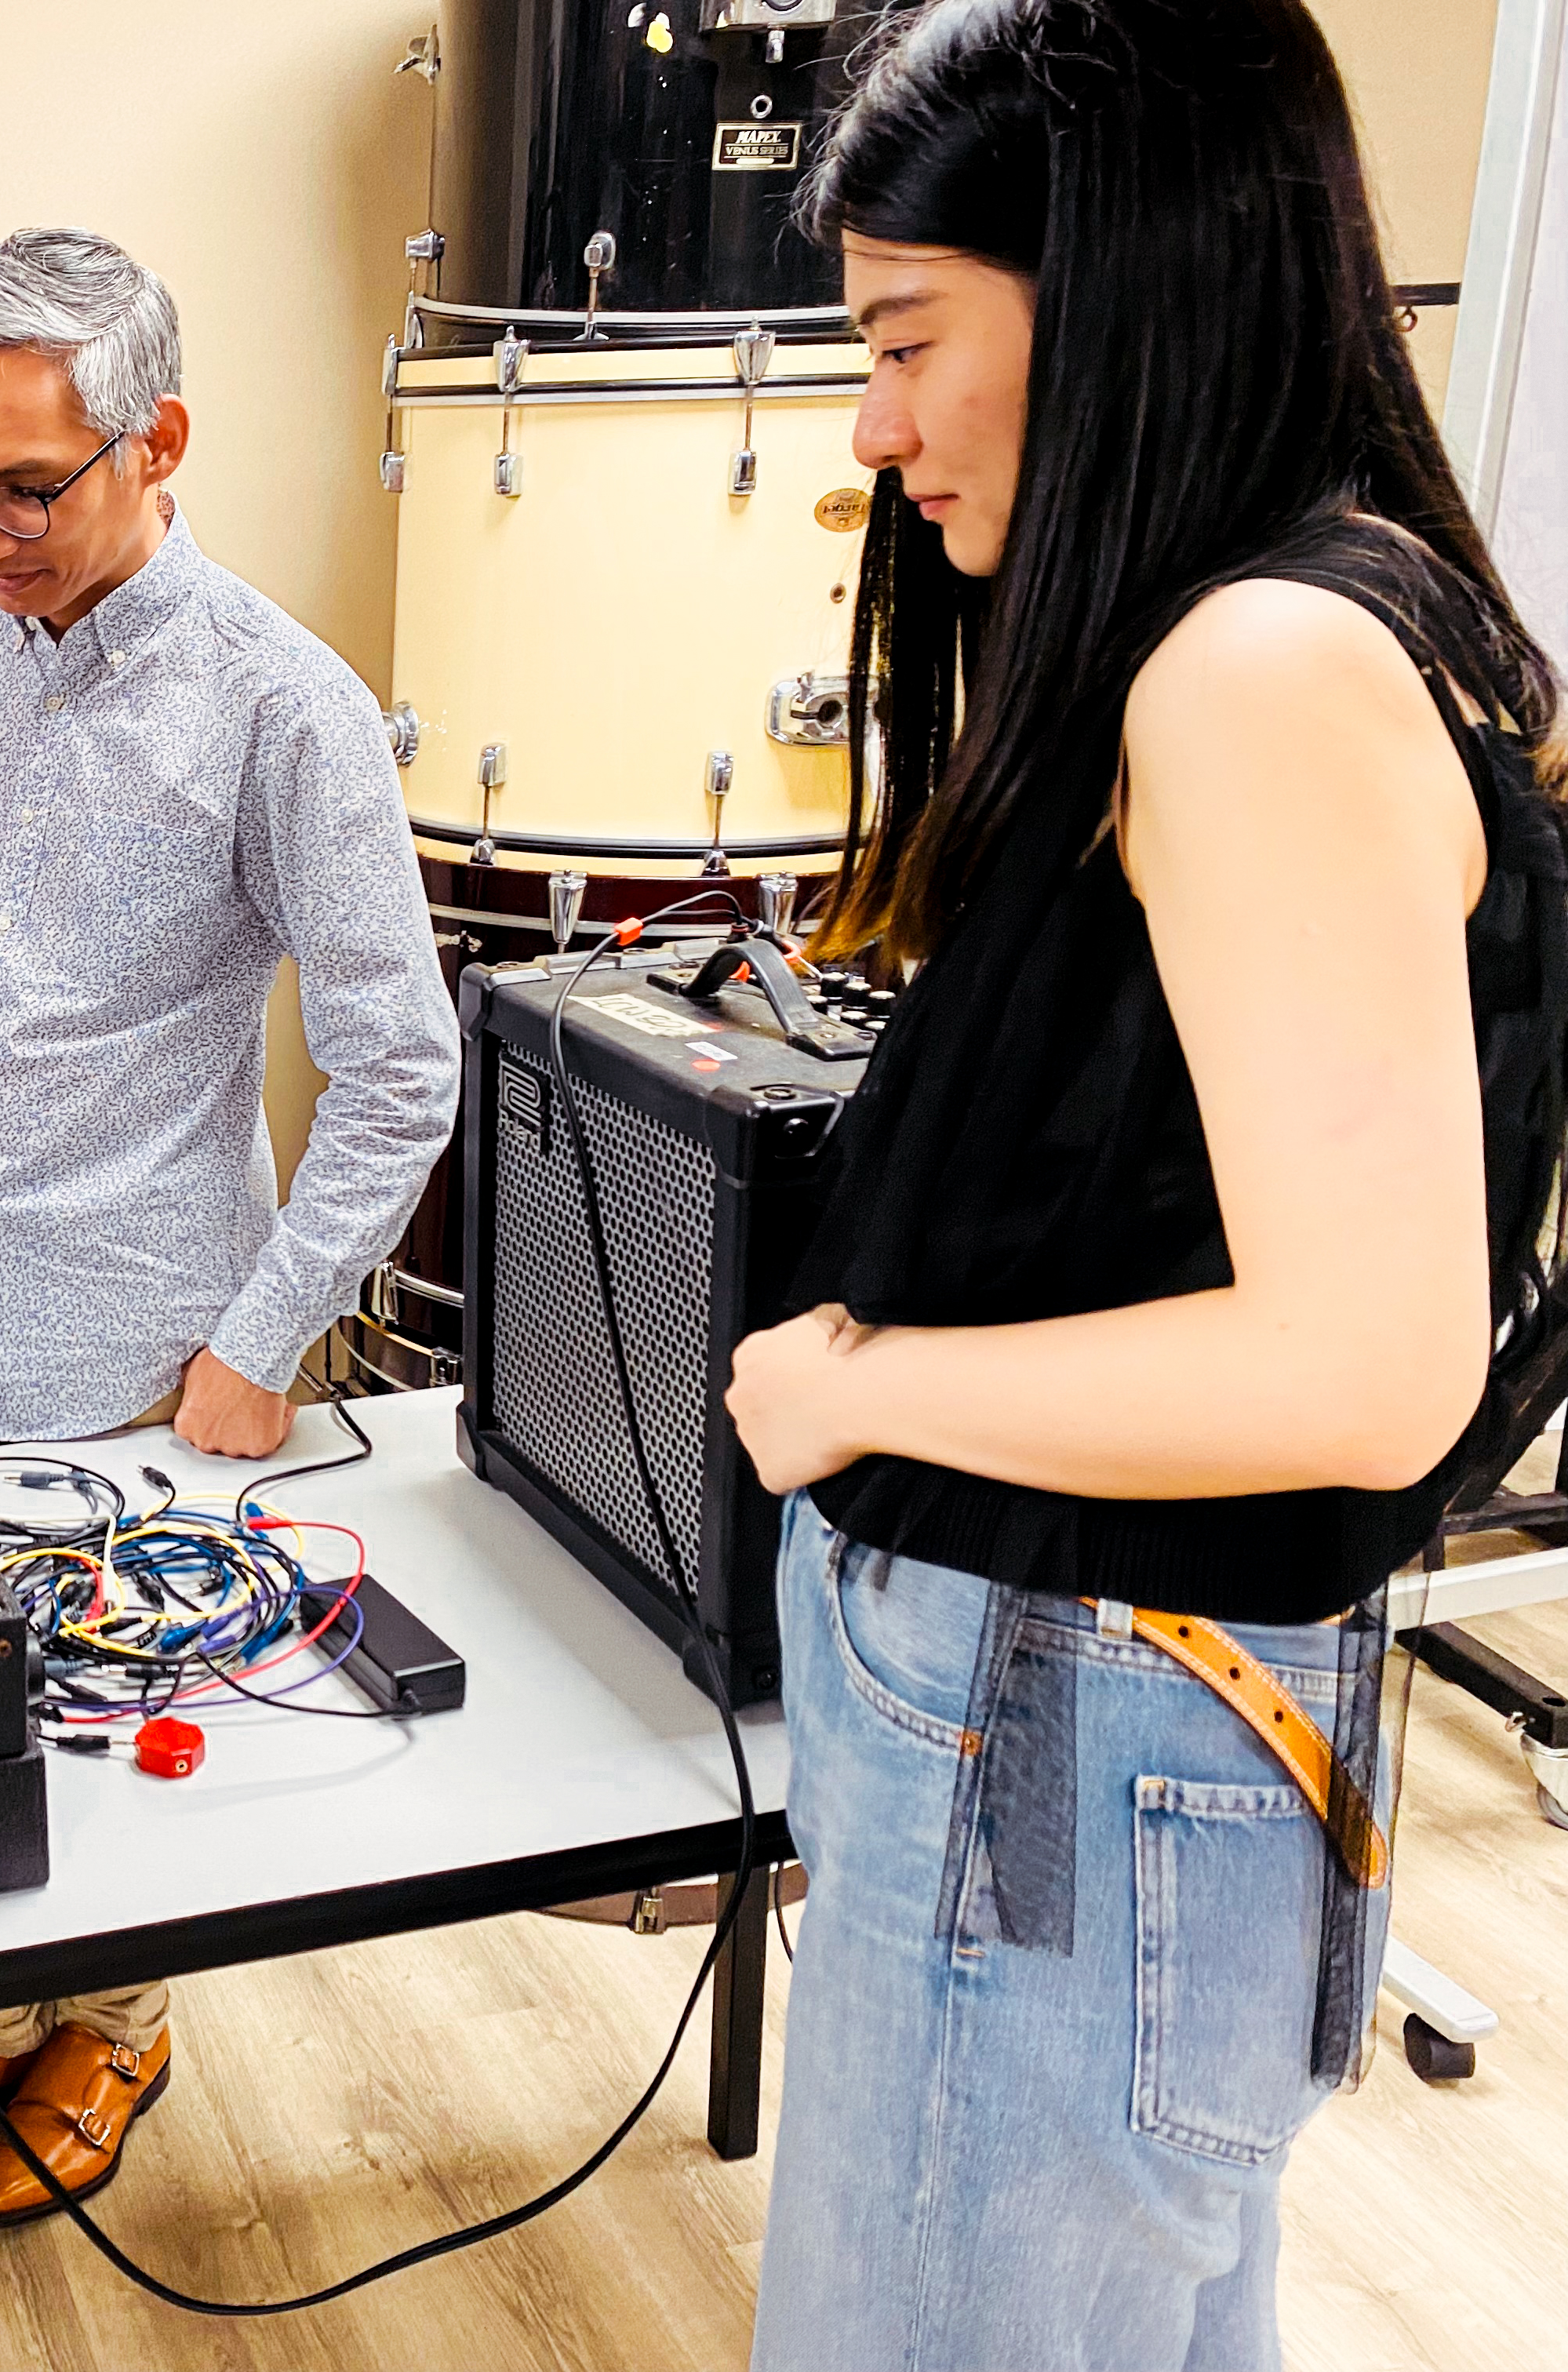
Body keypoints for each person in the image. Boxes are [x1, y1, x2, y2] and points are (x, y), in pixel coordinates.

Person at [722, 5, 1567, 2367]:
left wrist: (860, 1373)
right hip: (1110, 1739)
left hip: (1065, 1737)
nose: (874, 428)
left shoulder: (1256, 670)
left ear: (1116, 290)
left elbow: (1369, 1367)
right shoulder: (1320, 607)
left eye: (907, 340)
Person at [0, 227, 457, 2228]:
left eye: (28, 487)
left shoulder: (284, 709)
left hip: (151, 1341)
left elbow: (398, 1066)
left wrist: (265, 1338)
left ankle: (118, 2025)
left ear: (158, 441)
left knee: (109, 1716)